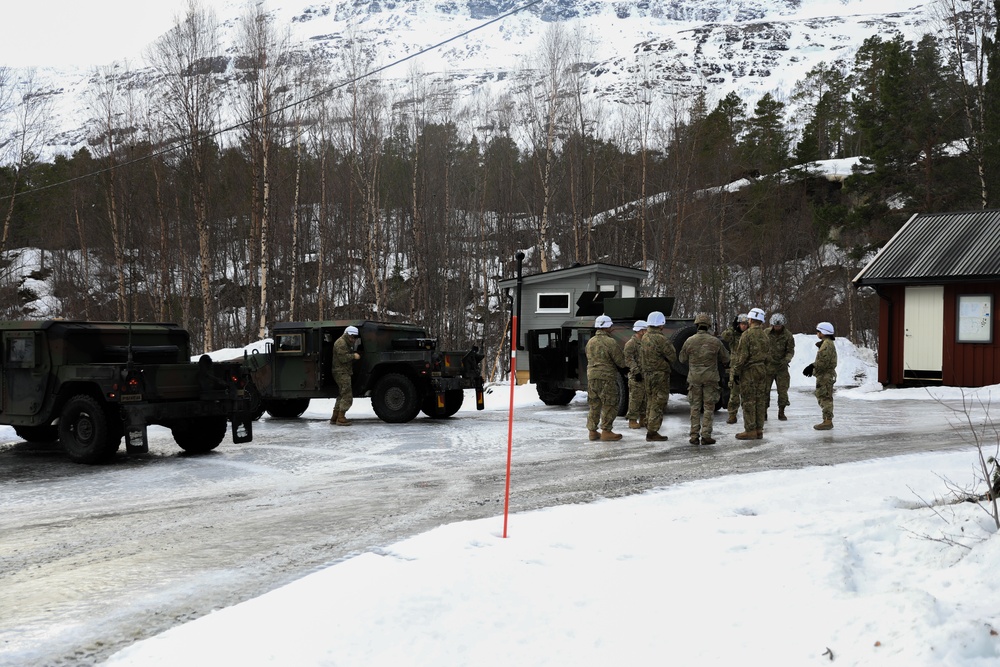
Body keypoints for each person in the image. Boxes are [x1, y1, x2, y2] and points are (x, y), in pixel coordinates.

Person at [679, 313, 730, 445]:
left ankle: (694, 436)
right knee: (708, 407)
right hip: (710, 379)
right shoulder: (715, 341)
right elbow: (726, 358)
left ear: (696, 325)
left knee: (695, 407)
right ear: (708, 326)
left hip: (694, 379)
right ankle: (706, 435)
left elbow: (681, 359)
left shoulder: (689, 341)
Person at [585, 315, 627, 441]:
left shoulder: (590, 341)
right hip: (607, 377)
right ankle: (606, 431)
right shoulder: (610, 342)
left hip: (592, 376)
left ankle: (592, 431)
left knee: (594, 404)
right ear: (607, 327)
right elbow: (621, 362)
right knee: (610, 403)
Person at [731, 307, 769, 440]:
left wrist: (736, 372)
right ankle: (759, 429)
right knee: (760, 400)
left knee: (748, 401)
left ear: (751, 319)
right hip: (762, 370)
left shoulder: (746, 335)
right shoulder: (765, 335)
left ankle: (750, 430)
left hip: (749, 371)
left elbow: (742, 356)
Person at [640, 310, 677, 442]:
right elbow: (672, 356)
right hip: (660, 374)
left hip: (647, 373)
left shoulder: (644, 337)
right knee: (659, 401)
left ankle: (649, 424)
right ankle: (653, 431)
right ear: (661, 324)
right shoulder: (661, 339)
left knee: (650, 400)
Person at [803, 322, 838, 430]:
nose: (817, 333)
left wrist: (812, 367)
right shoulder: (826, 343)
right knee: (823, 396)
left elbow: (823, 362)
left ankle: (828, 421)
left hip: (825, 376)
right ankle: (826, 419)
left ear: (823, 332)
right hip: (824, 375)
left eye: (818, 331)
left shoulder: (827, 345)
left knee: (825, 397)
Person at [764, 313, 795, 421]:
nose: (777, 327)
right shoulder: (766, 333)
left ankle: (781, 411)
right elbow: (762, 347)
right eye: (775, 326)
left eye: (779, 326)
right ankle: (764, 412)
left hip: (781, 368)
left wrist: (786, 359)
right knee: (764, 391)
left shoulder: (788, 335)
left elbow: (790, 351)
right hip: (768, 367)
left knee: (783, 391)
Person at [331, 325, 361, 425]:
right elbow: (343, 358)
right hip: (341, 372)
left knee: (342, 394)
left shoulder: (345, 342)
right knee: (347, 395)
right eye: (352, 337)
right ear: (347, 335)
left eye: (355, 338)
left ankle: (335, 417)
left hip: (343, 371)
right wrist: (354, 356)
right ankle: (341, 418)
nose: (353, 340)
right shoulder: (341, 343)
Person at [721, 314, 748, 424]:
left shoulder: (749, 335)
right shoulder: (733, 334)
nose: (744, 326)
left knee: (747, 393)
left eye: (746, 324)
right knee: (734, 393)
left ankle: (748, 416)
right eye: (742, 324)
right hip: (736, 367)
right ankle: (732, 414)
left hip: (747, 367)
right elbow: (724, 336)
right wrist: (732, 327)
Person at [624, 320, 648, 429]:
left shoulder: (645, 342)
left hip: (645, 375)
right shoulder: (631, 343)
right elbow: (628, 359)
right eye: (645, 329)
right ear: (641, 330)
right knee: (635, 399)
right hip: (636, 376)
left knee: (645, 399)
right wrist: (636, 371)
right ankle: (632, 420)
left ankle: (643, 419)